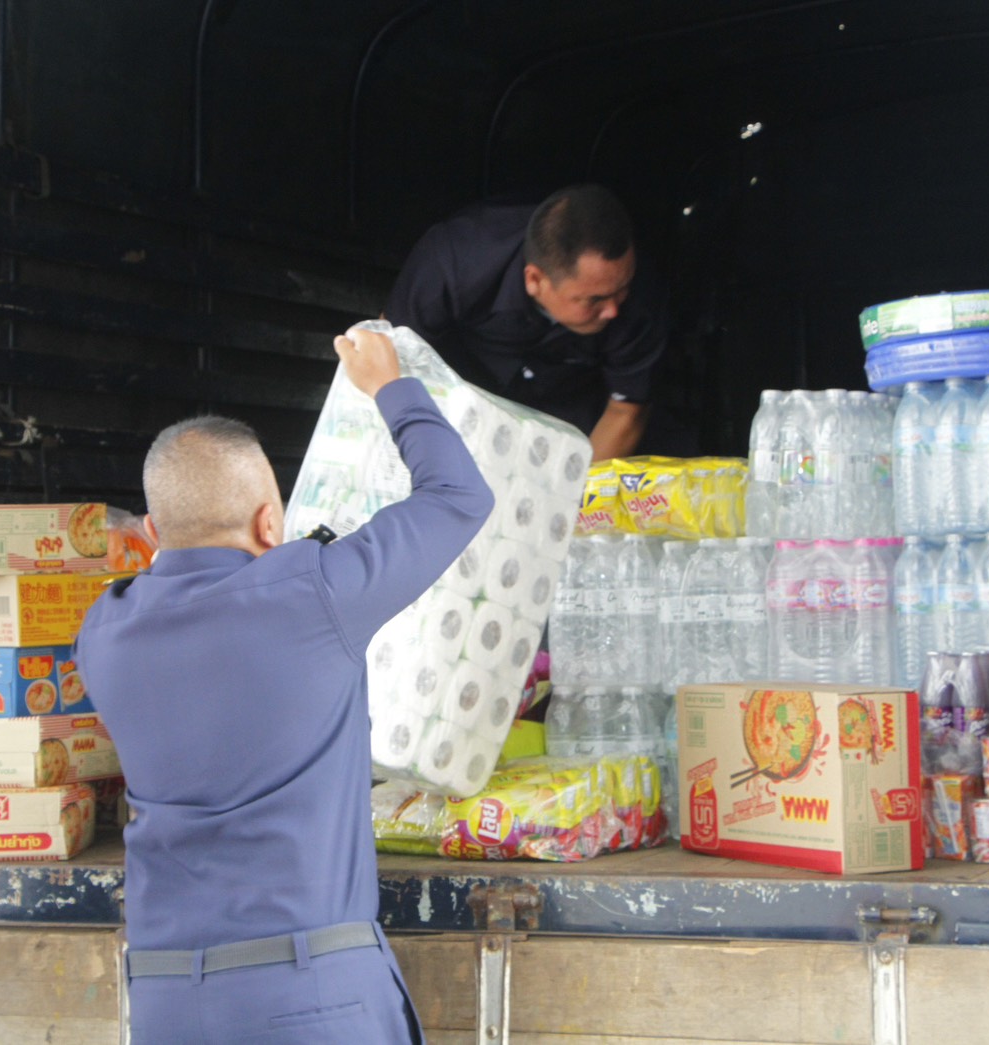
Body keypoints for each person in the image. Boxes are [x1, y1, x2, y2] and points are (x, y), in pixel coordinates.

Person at [73, 326, 493, 1044]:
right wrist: (388, 384)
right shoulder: (311, 594)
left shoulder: (102, 631)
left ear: (151, 531)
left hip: (166, 1002)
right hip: (310, 996)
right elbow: (457, 494)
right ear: (271, 522)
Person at [385, 183, 669, 461]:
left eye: (622, 290)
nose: (613, 310)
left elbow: (625, 412)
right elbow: (390, 354)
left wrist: (578, 488)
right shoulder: (457, 257)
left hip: (571, 410)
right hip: (460, 391)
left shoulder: (641, 294)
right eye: (594, 300)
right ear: (535, 280)